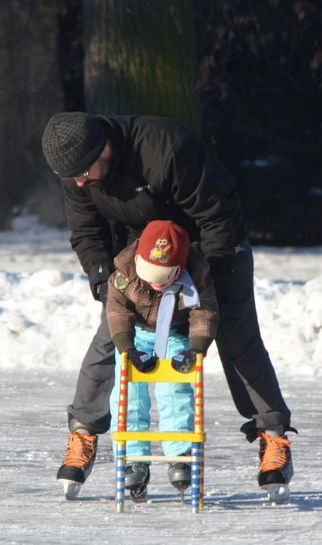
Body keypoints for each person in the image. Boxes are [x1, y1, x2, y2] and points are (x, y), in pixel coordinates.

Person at [43, 111, 295, 498]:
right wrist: (103, 282)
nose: (79, 181)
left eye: (83, 172)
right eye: (71, 176)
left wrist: (207, 280)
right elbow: (87, 231)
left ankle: (273, 435)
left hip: (213, 247)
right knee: (111, 335)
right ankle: (83, 434)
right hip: (141, 256)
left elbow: (217, 215)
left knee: (236, 337)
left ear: (104, 149)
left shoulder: (167, 150)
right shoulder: (75, 170)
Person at [105, 219, 218, 501]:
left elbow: (204, 313)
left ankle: (180, 452)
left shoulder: (197, 271)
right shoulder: (125, 268)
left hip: (175, 336)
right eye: (150, 272)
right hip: (137, 337)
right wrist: (127, 348)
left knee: (174, 387)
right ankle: (133, 456)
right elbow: (117, 310)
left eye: (163, 275)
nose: (155, 281)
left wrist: (196, 349)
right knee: (128, 390)